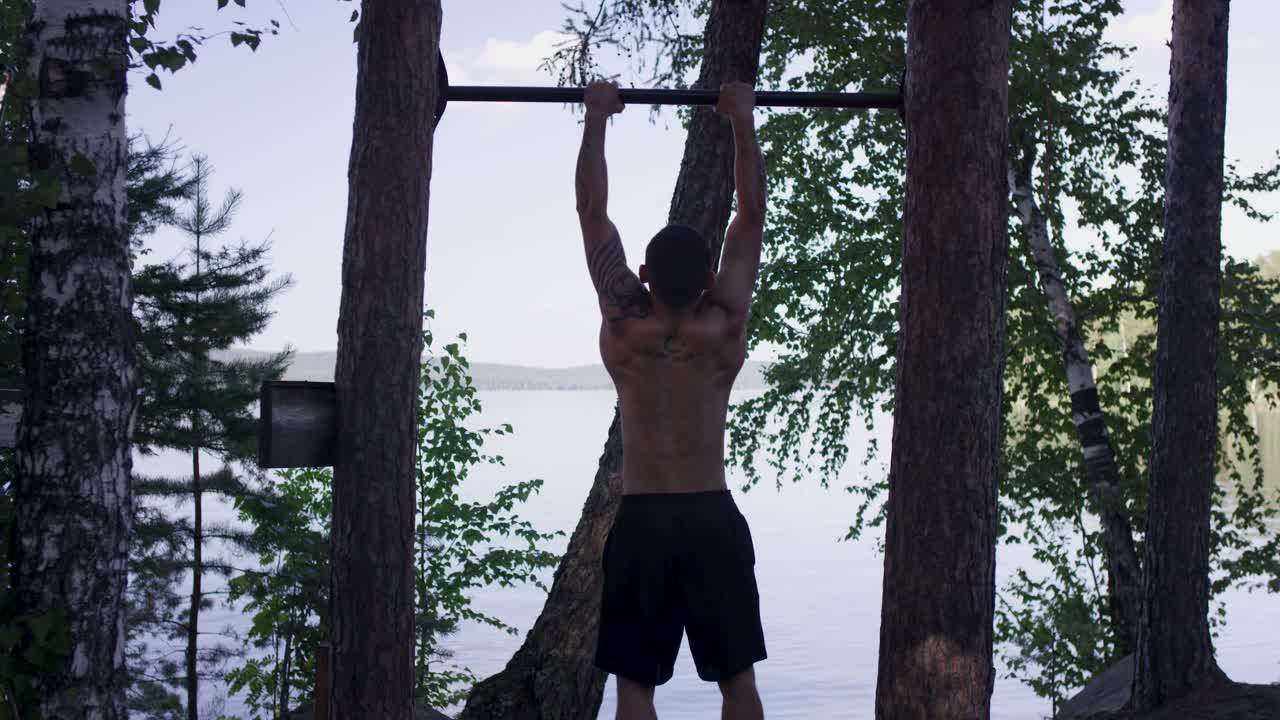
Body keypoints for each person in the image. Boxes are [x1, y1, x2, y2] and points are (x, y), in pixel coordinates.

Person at [575, 79, 768, 720]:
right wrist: (740, 117)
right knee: (736, 683)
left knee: (636, 688)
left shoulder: (625, 325)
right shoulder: (724, 327)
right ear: (710, 280)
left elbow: (592, 214)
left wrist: (597, 117)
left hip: (644, 521)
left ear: (645, 277)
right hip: (712, 519)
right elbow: (750, 212)